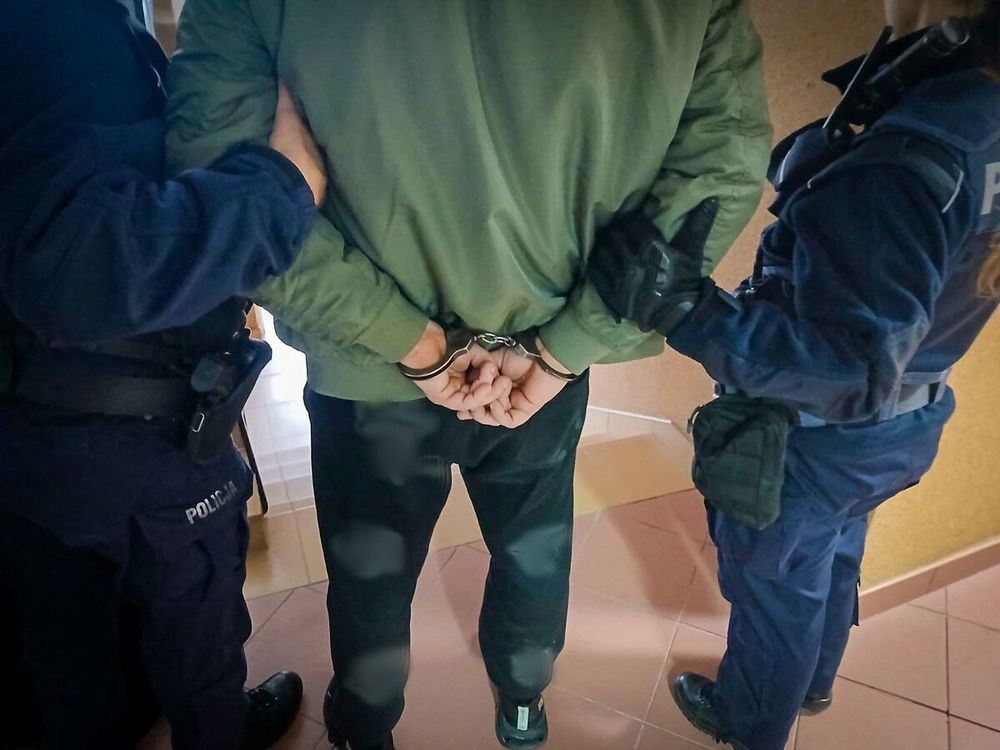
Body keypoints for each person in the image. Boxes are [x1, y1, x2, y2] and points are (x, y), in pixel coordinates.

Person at [165, 1, 773, 748]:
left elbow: (223, 185)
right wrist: (567, 345)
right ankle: (522, 701)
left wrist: (408, 339)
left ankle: (363, 726)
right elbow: (723, 164)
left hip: (369, 378)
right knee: (533, 551)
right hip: (541, 372)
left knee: (372, 577)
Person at [586, 1, 1000, 748]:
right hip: (906, 426)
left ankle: (752, 724)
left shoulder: (914, 153)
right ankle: (811, 685)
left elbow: (849, 370)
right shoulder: (978, 120)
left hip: (814, 442)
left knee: (777, 595)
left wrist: (683, 309)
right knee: (833, 559)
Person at [0, 0, 328, 748]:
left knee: (64, 648)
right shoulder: (54, 24)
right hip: (125, 431)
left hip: (32, 432)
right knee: (196, 637)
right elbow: (79, 265)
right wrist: (278, 190)